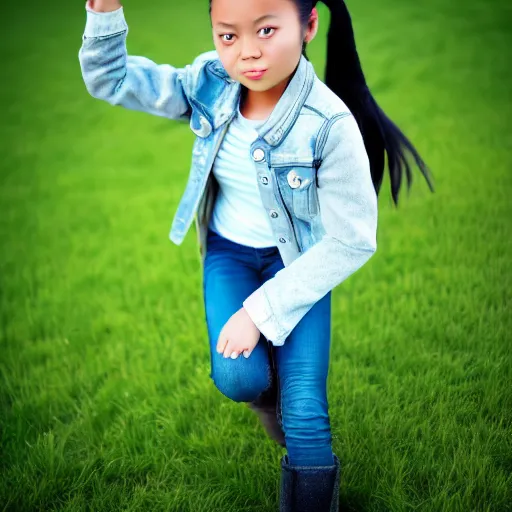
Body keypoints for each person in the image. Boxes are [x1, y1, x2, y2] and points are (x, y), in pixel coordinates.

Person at [79, 0, 434, 509]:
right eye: (228, 36)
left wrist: (260, 310)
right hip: (230, 255)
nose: (248, 53)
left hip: (298, 265)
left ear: (308, 24)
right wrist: (105, 11)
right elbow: (110, 80)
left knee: (308, 411)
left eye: (266, 30)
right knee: (240, 376)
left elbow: (353, 238)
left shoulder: (330, 124)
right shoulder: (210, 83)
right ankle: (269, 401)